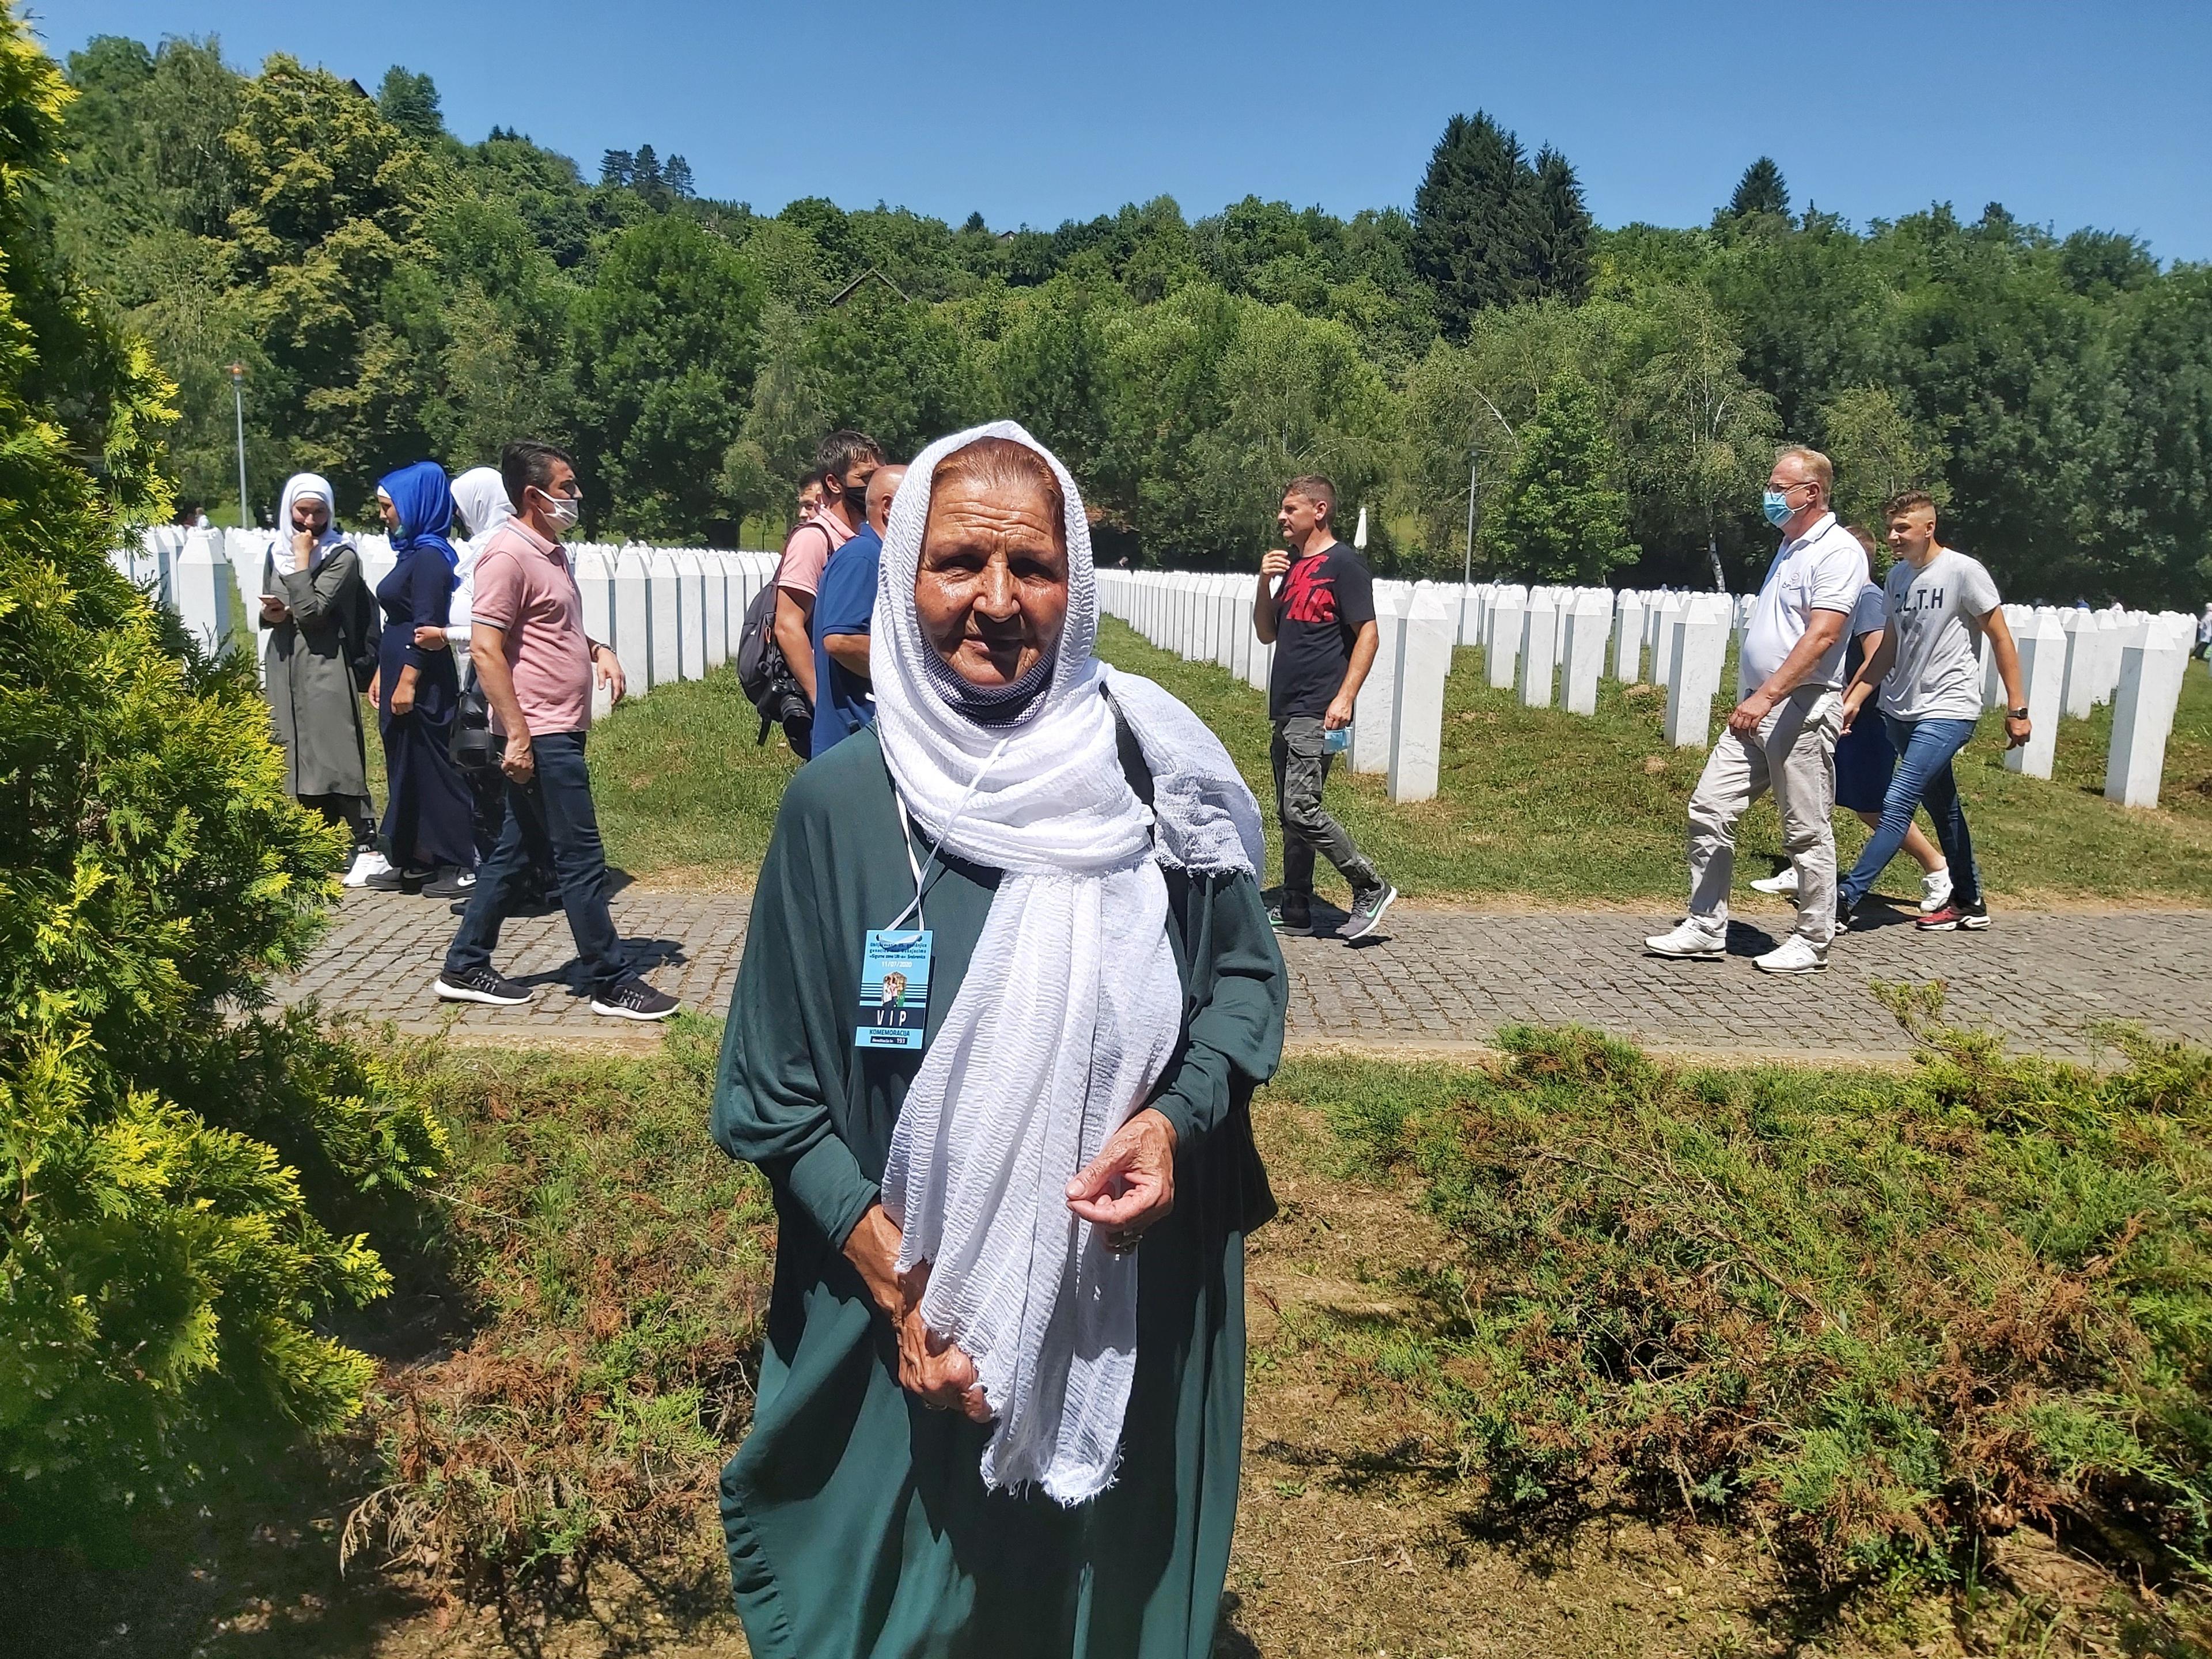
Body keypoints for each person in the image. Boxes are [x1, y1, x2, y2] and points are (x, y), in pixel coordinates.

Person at [711, 422, 1285, 1658]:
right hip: (902, 1323)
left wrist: (1174, 1124)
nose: (995, 602)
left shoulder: (1152, 781)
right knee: (914, 1609)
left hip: (1120, 1292)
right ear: (904, 570)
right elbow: (769, 1092)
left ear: (1076, 586)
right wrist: (902, 1287)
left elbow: (1243, 988)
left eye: (1033, 568)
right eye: (958, 562)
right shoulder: (838, 811)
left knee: (1089, 1599)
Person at [435, 441, 678, 1021]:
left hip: (559, 727)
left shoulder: (550, 552)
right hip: (538, 734)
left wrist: (598, 649)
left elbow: (549, 628)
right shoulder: (507, 556)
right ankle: (609, 978)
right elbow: (489, 649)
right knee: (581, 857)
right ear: (532, 495)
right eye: (566, 487)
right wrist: (516, 736)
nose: (574, 497)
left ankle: (465, 964)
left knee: (517, 852)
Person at [1645, 446, 1866, 974]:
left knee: (1806, 829)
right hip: (1756, 707)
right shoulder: (1791, 546)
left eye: (1778, 487)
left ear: (1810, 493)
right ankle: (1705, 924)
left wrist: (1768, 695)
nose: (1769, 497)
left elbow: (1824, 635)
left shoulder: (1836, 551)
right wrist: (1755, 696)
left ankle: (1813, 940)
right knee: (1710, 808)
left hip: (1800, 705)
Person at [1835, 491, 2031, 933]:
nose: (1893, 537)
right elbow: (1886, 651)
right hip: (1901, 711)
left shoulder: (1963, 571)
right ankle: (1969, 901)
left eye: (1902, 528)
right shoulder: (1897, 578)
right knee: (1945, 810)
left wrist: (2017, 707)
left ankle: (1846, 898)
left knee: (1898, 798)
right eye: (1890, 528)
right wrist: (1855, 697)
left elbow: (2000, 637)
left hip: (1949, 708)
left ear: (1929, 528)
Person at [1751, 525, 1953, 914]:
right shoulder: (1845, 597)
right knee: (1814, 791)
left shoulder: (1867, 599)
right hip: (1836, 711)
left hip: (1864, 718)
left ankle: (1938, 868)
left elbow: (1879, 655)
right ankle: (1804, 869)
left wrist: (1850, 702)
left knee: (1871, 804)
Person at [1250, 474, 1397, 940]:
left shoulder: (1344, 565)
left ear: (1320, 511)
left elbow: (1368, 635)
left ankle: (1369, 884)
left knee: (1302, 808)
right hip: (1288, 707)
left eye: (1290, 509)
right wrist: (1263, 583)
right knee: (1288, 813)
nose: (1281, 517)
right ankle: (1295, 905)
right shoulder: (1292, 566)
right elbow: (1266, 632)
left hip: (1320, 707)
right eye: (1282, 508)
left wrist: (1346, 697)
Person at [258, 472, 382, 884]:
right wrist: (270, 613)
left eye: (319, 513)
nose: (309, 523)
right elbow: (272, 605)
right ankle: (321, 840)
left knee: (335, 752)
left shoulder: (341, 556)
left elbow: (313, 613)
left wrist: (301, 560)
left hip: (325, 663)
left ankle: (367, 842)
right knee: (296, 750)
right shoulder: (274, 551)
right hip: (284, 661)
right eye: (302, 512)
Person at [368, 461, 477, 897]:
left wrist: (407, 680)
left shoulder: (432, 558)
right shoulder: (412, 553)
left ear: (415, 506)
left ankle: (454, 857)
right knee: (404, 762)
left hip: (422, 676)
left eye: (388, 507)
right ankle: (412, 853)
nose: (383, 516)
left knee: (434, 765)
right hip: (396, 668)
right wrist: (383, 671)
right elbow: (397, 618)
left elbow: (425, 624)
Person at [770, 431, 881, 757]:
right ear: (834, 483)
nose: (871, 487)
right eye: (865, 478)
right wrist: (821, 700)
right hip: (833, 705)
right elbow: (787, 625)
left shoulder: (856, 538)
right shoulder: (814, 539)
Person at [808, 460, 906, 754]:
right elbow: (841, 640)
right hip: (851, 740)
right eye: (922, 502)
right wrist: (908, 673)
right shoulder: (863, 558)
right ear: (888, 508)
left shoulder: (877, 558)